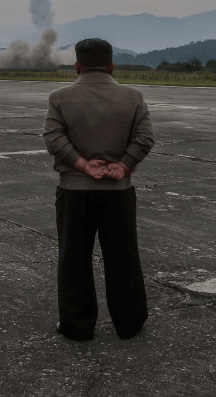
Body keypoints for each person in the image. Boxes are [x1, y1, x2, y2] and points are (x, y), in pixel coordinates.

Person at [43, 38, 155, 342]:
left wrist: (82, 165)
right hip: (118, 190)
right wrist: (123, 165)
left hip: (74, 190)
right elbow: (145, 138)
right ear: (112, 65)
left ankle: (78, 326)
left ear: (77, 66)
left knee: (74, 259)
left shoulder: (59, 97)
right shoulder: (133, 96)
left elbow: (54, 138)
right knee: (123, 257)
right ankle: (129, 322)